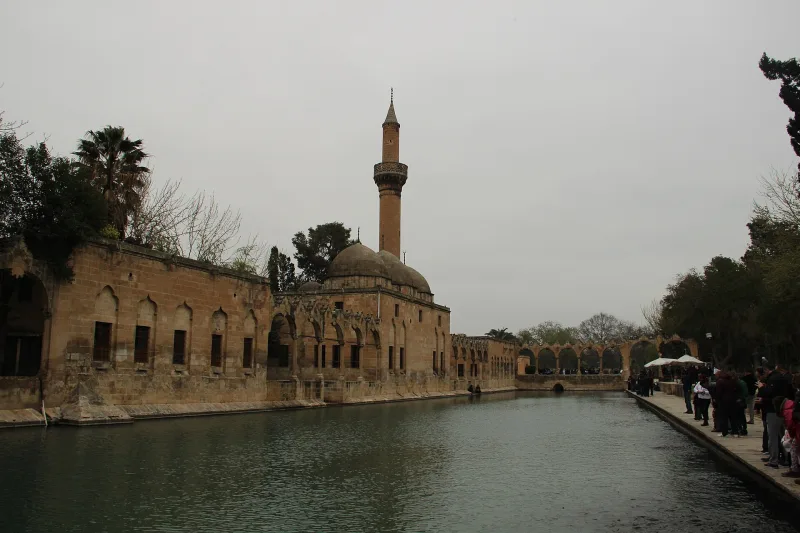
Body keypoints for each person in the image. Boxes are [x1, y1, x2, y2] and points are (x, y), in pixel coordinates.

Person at [760, 363, 795, 468]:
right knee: (784, 436)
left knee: (773, 436)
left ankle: (773, 460)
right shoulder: (785, 379)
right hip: (785, 409)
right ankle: (787, 459)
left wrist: (762, 388)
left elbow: (768, 393)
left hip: (772, 410)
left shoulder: (772, 380)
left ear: (767, 370)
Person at [779, 393, 799, 478]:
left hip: (797, 430)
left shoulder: (787, 411)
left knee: (793, 448)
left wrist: (792, 436)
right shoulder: (791, 405)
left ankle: (795, 469)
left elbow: (790, 425)